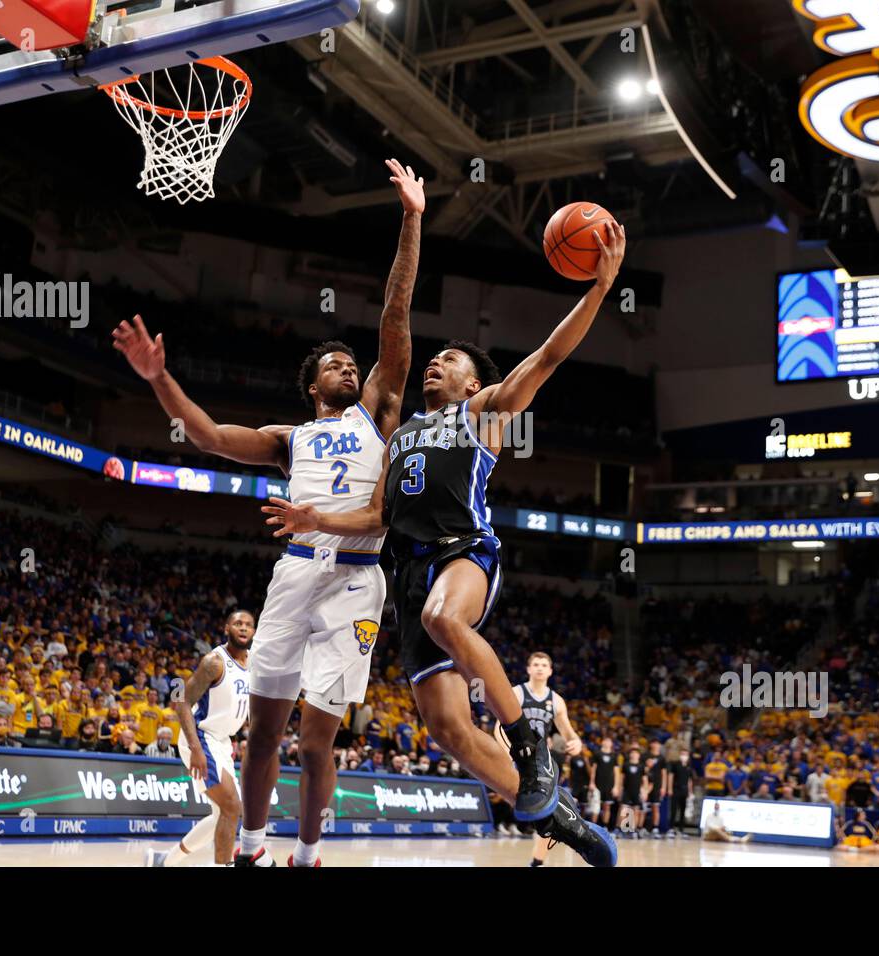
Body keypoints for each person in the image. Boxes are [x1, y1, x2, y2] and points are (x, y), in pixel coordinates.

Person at [263, 220, 627, 867]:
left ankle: (531, 744)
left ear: (469, 384)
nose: (437, 361)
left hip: (465, 556)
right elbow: (376, 518)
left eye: (451, 361)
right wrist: (314, 517)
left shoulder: (481, 414)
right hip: (407, 580)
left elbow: (547, 356)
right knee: (452, 732)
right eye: (437, 358)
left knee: (443, 614)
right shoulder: (397, 436)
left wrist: (599, 289)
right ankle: (562, 818)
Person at [117, 160, 422, 870]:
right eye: (337, 365)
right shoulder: (291, 439)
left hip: (356, 578)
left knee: (318, 742)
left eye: (355, 363)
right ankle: (251, 851)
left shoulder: (379, 410)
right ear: (313, 385)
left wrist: (410, 217)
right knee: (263, 737)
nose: (351, 368)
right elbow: (209, 437)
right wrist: (158, 378)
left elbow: (396, 315)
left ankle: (309, 854)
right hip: (293, 578)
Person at [148, 610, 253, 868]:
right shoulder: (214, 662)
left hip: (222, 741)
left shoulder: (253, 663)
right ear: (227, 628)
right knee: (231, 806)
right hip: (200, 737)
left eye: (249, 625)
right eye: (238, 623)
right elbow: (181, 701)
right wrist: (196, 749)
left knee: (223, 812)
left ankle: (164, 861)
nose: (243, 628)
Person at [514, 652, 585, 867]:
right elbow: (500, 726)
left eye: (544, 665)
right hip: (515, 755)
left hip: (539, 762)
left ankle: (537, 862)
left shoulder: (556, 701)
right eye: (535, 664)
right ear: (528, 669)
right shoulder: (517, 693)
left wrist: (577, 742)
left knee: (548, 816)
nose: (539, 668)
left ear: (550, 671)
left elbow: (569, 733)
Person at [590, 736, 622, 831]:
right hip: (597, 784)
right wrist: (592, 782)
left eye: (609, 741)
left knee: (606, 806)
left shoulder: (614, 756)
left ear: (611, 744)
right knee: (596, 807)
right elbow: (593, 769)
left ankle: (605, 827)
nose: (607, 742)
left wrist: (616, 786)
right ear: (602, 742)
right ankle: (593, 828)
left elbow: (617, 772)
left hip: (609, 785)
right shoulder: (597, 754)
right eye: (605, 740)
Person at [668, 748, 695, 836]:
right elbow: (671, 776)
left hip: (685, 790)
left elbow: (689, 780)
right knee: (673, 809)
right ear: (680, 755)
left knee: (683, 810)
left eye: (686, 754)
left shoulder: (689, 766)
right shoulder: (675, 765)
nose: (684, 756)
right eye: (682, 754)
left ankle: (681, 829)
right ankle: (671, 829)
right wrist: (670, 789)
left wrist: (690, 792)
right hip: (676, 788)